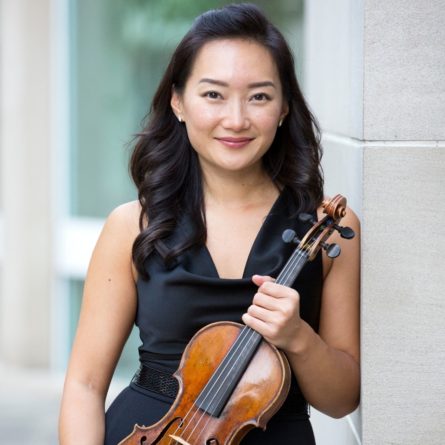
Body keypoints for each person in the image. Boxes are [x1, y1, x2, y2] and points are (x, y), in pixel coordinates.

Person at [59, 3, 360, 444]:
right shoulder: (133, 225)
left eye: (259, 96)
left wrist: (298, 337)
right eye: (213, 94)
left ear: (284, 108)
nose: (235, 119)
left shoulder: (328, 228)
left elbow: (341, 400)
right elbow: (84, 386)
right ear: (178, 101)